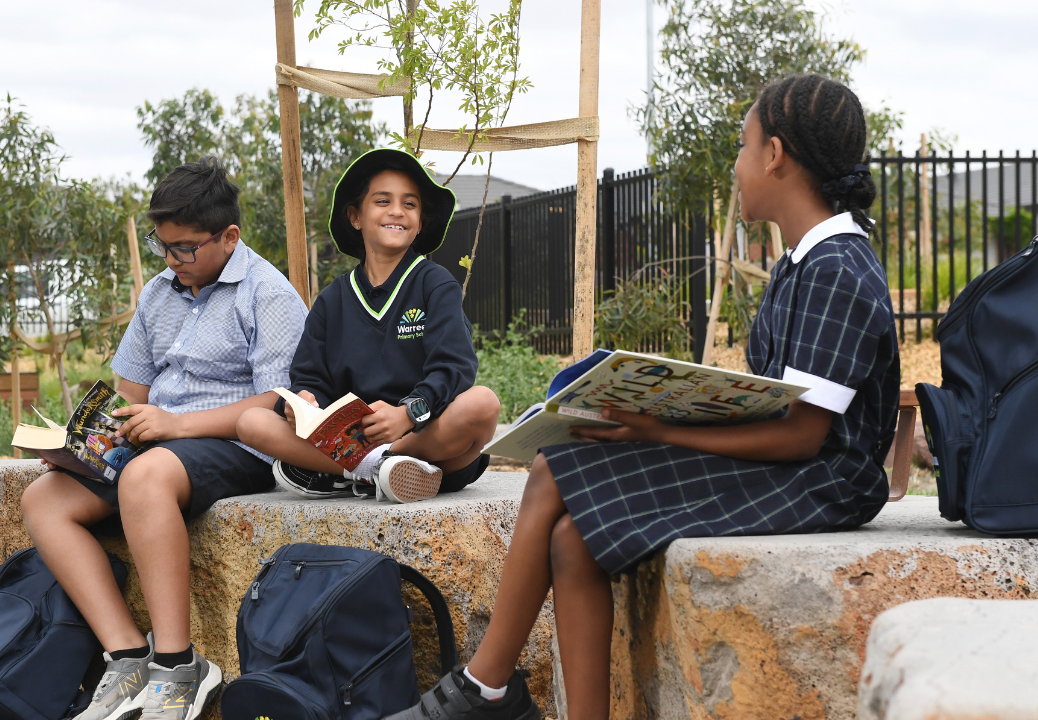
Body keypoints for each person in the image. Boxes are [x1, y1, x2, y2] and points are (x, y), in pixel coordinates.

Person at [381, 74, 900, 720]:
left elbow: (804, 435)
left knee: (551, 471)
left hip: (821, 478)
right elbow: (775, 403)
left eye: (743, 146)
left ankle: (484, 688)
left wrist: (656, 429)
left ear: (775, 155)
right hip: (789, 459)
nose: (737, 165)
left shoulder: (838, 269)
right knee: (572, 541)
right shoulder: (801, 263)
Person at [20, 157, 307, 720]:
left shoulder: (267, 295)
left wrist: (176, 426)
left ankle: (178, 666)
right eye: (164, 246)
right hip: (156, 445)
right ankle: (127, 654)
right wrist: (84, 447)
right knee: (44, 499)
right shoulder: (158, 294)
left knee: (146, 476)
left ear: (229, 237)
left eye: (184, 248)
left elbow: (279, 402)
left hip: (232, 445)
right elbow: (131, 392)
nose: (173, 261)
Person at [236, 148, 501, 503]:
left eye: (410, 204)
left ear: (421, 222)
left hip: (432, 442)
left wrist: (407, 413)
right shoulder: (333, 300)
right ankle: (379, 469)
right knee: (252, 422)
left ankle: (371, 469)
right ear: (355, 216)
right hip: (356, 441)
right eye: (382, 201)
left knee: (482, 404)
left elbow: (455, 367)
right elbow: (310, 376)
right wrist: (305, 400)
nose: (397, 211)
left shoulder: (435, 284)